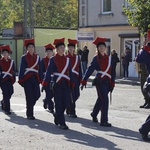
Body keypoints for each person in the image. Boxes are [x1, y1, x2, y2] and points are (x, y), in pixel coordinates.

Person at [81, 37, 115, 127]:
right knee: (104, 99)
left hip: (107, 81)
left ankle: (94, 113)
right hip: (100, 80)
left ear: (105, 48)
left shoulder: (110, 58)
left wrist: (113, 82)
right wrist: (84, 80)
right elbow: (90, 69)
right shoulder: (96, 58)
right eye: (99, 46)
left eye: (103, 46)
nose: (101, 48)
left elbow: (112, 71)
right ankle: (104, 120)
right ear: (97, 48)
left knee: (101, 99)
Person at [42, 38, 74, 130]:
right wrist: (45, 83)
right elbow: (48, 72)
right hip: (57, 83)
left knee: (66, 102)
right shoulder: (53, 59)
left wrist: (72, 83)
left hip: (66, 83)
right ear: (57, 49)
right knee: (58, 103)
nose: (63, 49)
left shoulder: (67, 60)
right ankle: (62, 123)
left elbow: (70, 73)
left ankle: (57, 115)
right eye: (61, 47)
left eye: (64, 47)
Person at [18, 38, 41, 120]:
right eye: (29, 47)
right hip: (27, 79)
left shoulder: (37, 57)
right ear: (27, 48)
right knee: (29, 97)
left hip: (35, 78)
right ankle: (30, 114)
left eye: (32, 47)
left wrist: (41, 78)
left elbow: (40, 69)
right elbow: (21, 68)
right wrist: (20, 79)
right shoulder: (24, 57)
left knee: (37, 95)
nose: (31, 48)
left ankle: (29, 106)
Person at [66, 38, 82, 118]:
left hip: (76, 78)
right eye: (69, 47)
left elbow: (80, 68)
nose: (71, 48)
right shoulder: (66, 57)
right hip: (68, 78)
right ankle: (73, 111)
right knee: (71, 94)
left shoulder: (77, 57)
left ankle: (69, 106)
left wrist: (81, 78)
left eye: (72, 47)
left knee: (76, 95)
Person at [0, 45, 16, 115]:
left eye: (6, 52)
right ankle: (7, 109)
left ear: (8, 53)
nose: (5, 54)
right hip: (3, 80)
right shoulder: (0, 61)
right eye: (3, 52)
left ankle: (3, 101)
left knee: (10, 92)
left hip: (9, 79)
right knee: (6, 93)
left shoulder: (12, 62)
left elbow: (13, 71)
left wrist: (14, 79)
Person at [40, 43, 55, 113]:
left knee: (53, 94)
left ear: (52, 52)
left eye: (50, 52)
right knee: (48, 93)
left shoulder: (54, 60)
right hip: (46, 79)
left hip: (54, 80)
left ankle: (45, 100)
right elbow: (40, 71)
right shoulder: (43, 61)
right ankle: (51, 107)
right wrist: (41, 80)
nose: (48, 53)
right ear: (45, 52)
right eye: (47, 52)